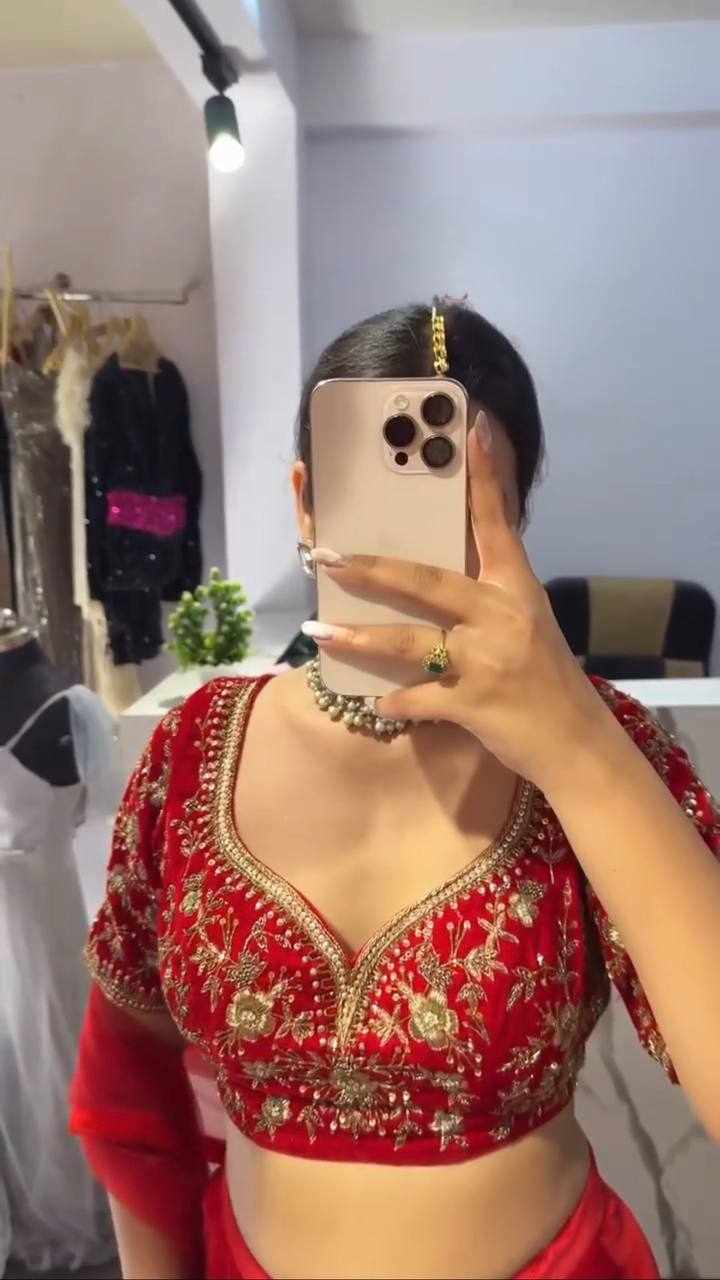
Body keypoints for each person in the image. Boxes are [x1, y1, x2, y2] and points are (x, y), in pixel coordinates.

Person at [69, 301, 720, 1280]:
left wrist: (579, 745)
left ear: (516, 520)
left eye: (467, 512)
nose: (414, 562)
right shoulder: (196, 750)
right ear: (306, 502)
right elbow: (129, 1088)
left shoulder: (601, 750)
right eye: (381, 507)